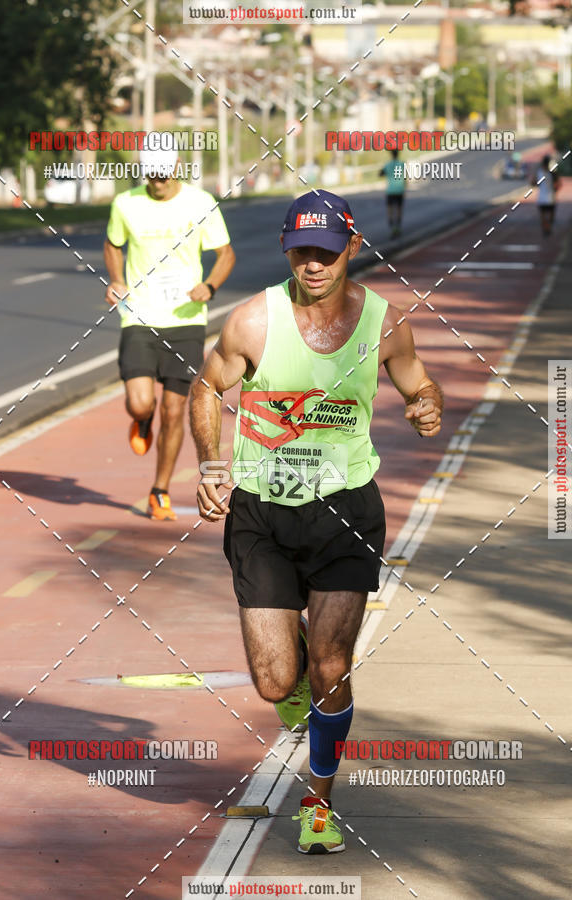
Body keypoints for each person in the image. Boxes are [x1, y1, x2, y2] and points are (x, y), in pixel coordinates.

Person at [189, 189, 443, 854]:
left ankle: (318, 803)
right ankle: (299, 676)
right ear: (286, 250)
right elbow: (207, 388)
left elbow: (418, 380)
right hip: (262, 515)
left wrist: (426, 405)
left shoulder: (385, 323)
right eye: (301, 251)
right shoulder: (251, 321)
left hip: (346, 511)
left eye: (327, 252)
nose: (314, 264)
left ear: (351, 248)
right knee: (278, 680)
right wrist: (212, 464)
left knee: (331, 665)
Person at [104, 145, 235, 520]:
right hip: (140, 316)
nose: (158, 180)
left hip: (187, 321)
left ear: (177, 166)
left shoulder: (201, 202)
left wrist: (208, 287)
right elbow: (113, 244)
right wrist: (116, 279)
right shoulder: (125, 204)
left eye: (164, 172)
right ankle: (142, 419)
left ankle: (158, 491)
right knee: (141, 402)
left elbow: (226, 254)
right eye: (152, 173)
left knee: (175, 411)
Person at [380, 148, 406, 238]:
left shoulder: (387, 164)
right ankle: (398, 226)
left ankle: (391, 226)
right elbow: (406, 176)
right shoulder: (402, 164)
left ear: (391, 155)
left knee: (390, 209)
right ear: (398, 154)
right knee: (399, 209)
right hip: (399, 189)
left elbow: (380, 174)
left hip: (390, 190)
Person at [535, 154, 560, 237]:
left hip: (541, 199)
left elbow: (532, 182)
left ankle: (546, 228)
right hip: (550, 199)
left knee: (543, 216)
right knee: (550, 217)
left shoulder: (539, 172)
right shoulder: (553, 174)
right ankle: (547, 228)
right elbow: (557, 185)